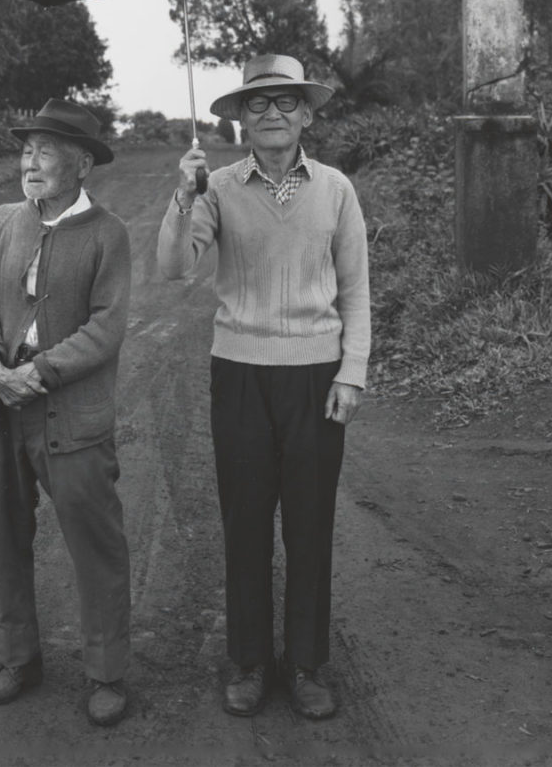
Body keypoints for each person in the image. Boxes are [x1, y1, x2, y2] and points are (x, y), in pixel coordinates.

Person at [156, 54, 370, 722]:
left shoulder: (335, 189)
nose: (272, 113)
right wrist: (182, 196)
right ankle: (248, 661)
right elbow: (172, 270)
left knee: (309, 526)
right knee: (245, 524)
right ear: (239, 118)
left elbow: (357, 289)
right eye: (257, 103)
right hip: (240, 373)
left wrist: (352, 371)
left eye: (285, 102)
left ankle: (306, 665)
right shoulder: (215, 186)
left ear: (307, 113)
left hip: (315, 378)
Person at [0, 98, 136, 728]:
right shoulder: (4, 221)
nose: (29, 163)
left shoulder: (108, 234)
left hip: (71, 415)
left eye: (45, 152)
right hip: (0, 409)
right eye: (26, 151)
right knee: (7, 536)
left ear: (82, 163)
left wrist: (39, 372)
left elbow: (106, 328)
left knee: (96, 544)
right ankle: (16, 658)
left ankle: (107, 672)